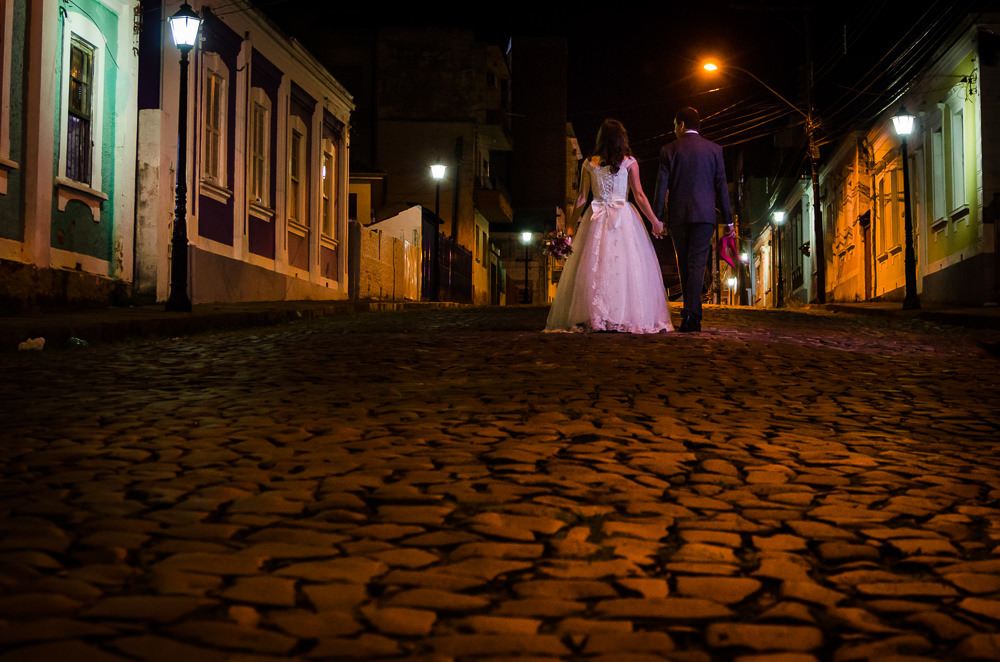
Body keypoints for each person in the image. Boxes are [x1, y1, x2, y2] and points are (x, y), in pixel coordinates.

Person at [545, 119, 672, 334]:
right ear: (622, 139)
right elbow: (639, 195)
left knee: (596, 266)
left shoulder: (589, 163)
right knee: (625, 267)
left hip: (596, 218)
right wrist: (654, 221)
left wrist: (570, 225)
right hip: (623, 217)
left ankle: (598, 315)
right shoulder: (629, 163)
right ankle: (621, 314)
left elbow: (582, 198)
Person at [652, 106, 734, 332]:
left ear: (680, 125)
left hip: (678, 216)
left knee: (684, 264)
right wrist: (729, 222)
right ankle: (692, 314)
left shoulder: (668, 150)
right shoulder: (714, 150)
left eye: (674, 126)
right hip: (704, 216)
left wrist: (656, 217)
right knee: (696, 263)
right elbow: (721, 188)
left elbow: (661, 187)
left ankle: (691, 313)